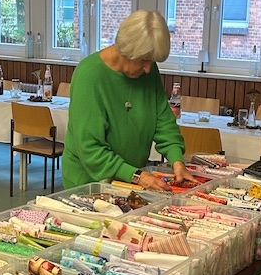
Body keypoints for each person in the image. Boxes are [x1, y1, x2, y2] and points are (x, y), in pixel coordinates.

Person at [62, 10, 198, 191]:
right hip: (88, 183)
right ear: (125, 49)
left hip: (130, 179)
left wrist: (177, 161)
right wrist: (136, 176)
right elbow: (90, 149)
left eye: (152, 62)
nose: (148, 69)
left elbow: (164, 123)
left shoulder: (147, 71)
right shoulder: (89, 75)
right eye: (144, 61)